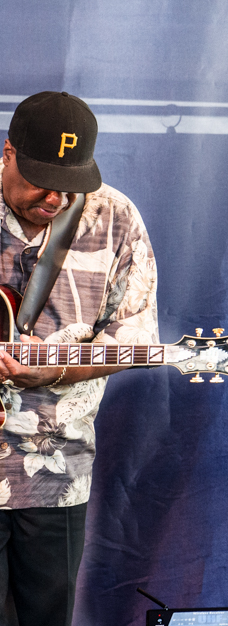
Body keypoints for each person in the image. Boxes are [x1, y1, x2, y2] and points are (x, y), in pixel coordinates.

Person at [0, 91, 158, 624]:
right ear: (8, 153)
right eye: (41, 179)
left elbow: (131, 338)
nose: (55, 197)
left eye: (71, 183)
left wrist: (57, 369)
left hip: (56, 469)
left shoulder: (115, 217)